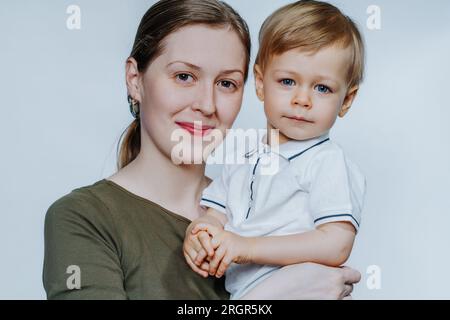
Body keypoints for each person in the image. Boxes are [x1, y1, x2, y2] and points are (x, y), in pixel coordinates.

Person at [43, 0, 360, 300]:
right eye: (184, 76)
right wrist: (270, 297)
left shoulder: (262, 206)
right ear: (134, 80)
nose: (207, 105)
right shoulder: (85, 218)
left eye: (227, 83)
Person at [183, 0, 366, 300]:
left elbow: (336, 244)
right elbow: (216, 214)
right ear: (259, 83)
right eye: (287, 81)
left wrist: (247, 248)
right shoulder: (244, 155)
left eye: (322, 88)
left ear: (346, 100)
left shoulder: (327, 162)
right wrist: (200, 233)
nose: (302, 99)